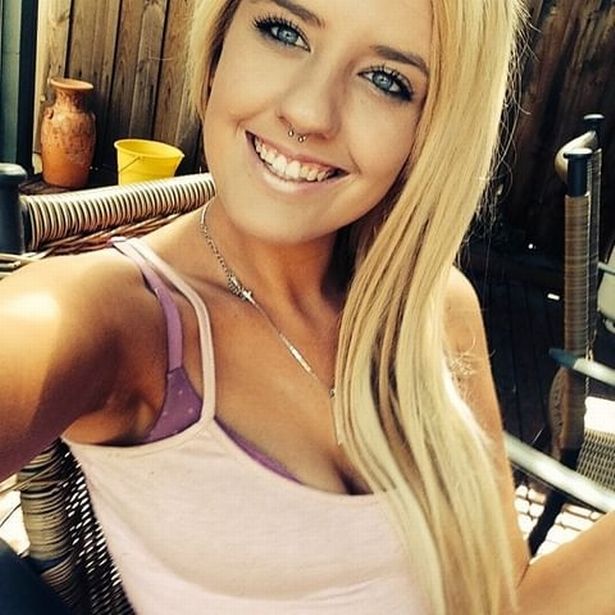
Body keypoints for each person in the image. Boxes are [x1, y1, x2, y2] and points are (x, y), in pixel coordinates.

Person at [1, 0, 614, 612]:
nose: (308, 112)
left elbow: (505, 600)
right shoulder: (114, 319)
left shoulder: (436, 309)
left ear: (431, 130)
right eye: (284, 31)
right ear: (218, 48)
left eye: (386, 80)